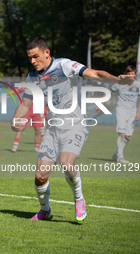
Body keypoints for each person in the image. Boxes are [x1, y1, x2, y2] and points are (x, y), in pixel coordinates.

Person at [11, 37, 134, 221]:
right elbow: (26, 103)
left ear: (47, 53)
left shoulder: (64, 66)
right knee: (40, 176)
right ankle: (45, 210)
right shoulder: (32, 77)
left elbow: (95, 74)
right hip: (53, 128)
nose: (33, 61)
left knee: (66, 162)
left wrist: (116, 79)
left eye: (35, 56)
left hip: (74, 124)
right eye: (30, 58)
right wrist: (15, 119)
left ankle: (79, 199)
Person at [95, 65, 140, 163]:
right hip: (121, 110)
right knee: (122, 134)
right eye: (128, 74)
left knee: (128, 137)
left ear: (135, 75)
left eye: (132, 74)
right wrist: (100, 103)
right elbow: (109, 92)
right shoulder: (120, 83)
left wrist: (139, 112)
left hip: (132, 112)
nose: (130, 76)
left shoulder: (138, 85)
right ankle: (120, 157)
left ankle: (116, 154)